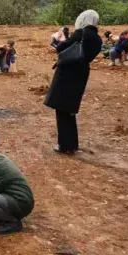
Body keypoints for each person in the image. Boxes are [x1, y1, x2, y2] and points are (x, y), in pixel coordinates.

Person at [45, 9, 103, 154]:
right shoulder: (97, 38)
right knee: (70, 109)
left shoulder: (80, 34)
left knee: (62, 110)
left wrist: (63, 38)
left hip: (68, 73)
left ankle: (66, 145)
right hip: (81, 73)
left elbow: (60, 48)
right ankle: (72, 144)